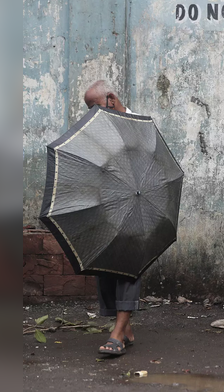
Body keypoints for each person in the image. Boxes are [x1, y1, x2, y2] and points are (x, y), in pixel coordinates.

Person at [84, 80, 139, 356]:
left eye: (93, 107)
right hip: (106, 206)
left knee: (129, 267)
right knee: (105, 266)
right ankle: (125, 327)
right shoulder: (98, 131)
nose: (91, 114)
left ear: (110, 98)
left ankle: (118, 331)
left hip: (135, 207)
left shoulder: (139, 127)